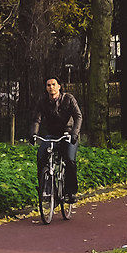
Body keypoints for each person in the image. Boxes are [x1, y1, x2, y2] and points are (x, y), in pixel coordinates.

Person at [30, 76, 82, 209]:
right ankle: (47, 189)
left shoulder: (69, 99)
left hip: (68, 134)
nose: (51, 87)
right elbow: (37, 119)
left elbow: (78, 116)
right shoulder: (42, 101)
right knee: (41, 156)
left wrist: (74, 134)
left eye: (53, 84)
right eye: (48, 85)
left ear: (59, 86)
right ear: (46, 88)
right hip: (52, 135)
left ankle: (70, 192)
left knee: (69, 159)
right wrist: (33, 134)